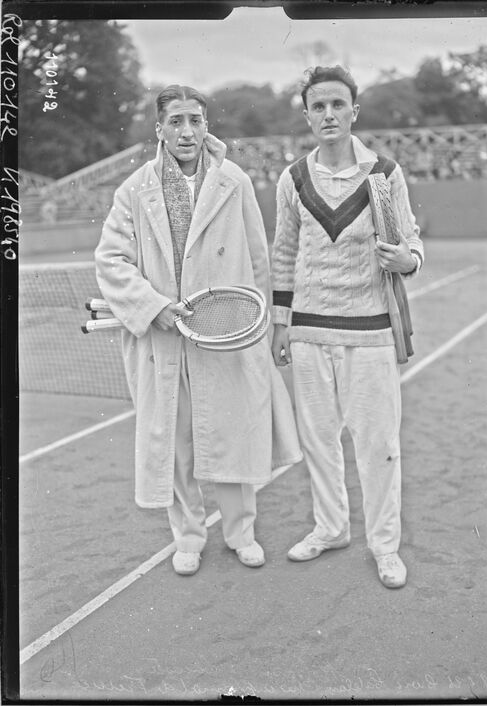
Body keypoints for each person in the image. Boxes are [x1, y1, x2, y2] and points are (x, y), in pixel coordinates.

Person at [95, 85, 301, 576]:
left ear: (207, 125)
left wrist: (268, 324)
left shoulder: (235, 181)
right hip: (164, 339)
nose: (187, 131)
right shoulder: (134, 189)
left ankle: (241, 533)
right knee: (178, 443)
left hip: (227, 334)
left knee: (232, 433)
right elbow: (111, 260)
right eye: (175, 121)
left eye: (195, 120)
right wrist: (155, 307)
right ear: (160, 130)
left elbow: (258, 259)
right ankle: (188, 536)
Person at [271, 66, 424, 588]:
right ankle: (331, 527)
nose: (329, 115)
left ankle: (385, 546)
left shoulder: (384, 172)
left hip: (371, 331)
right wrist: (280, 323)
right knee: (318, 440)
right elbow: (285, 252)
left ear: (354, 110)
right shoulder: (291, 178)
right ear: (308, 114)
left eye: (338, 105)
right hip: (310, 330)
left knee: (378, 443)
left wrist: (405, 258)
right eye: (319, 106)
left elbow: (412, 245)